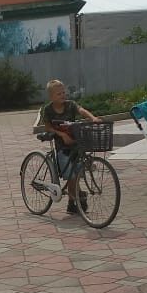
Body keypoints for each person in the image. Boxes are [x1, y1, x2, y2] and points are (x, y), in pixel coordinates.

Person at [40, 79, 101, 214]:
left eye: (63, 92)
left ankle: (72, 202)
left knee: (77, 174)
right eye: (59, 94)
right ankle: (76, 198)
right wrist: (62, 134)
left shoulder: (70, 105)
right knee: (71, 176)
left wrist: (93, 118)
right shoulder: (48, 109)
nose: (63, 95)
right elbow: (48, 127)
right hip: (62, 148)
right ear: (51, 97)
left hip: (75, 145)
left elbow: (81, 110)